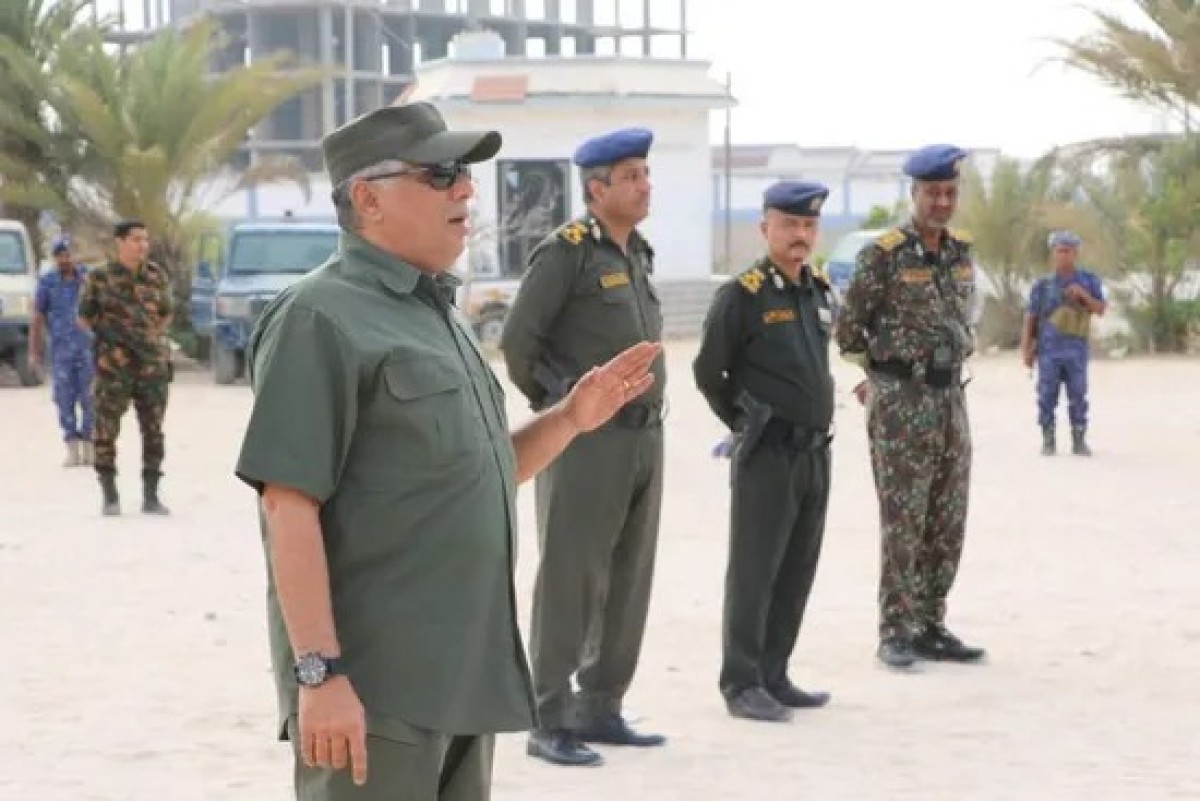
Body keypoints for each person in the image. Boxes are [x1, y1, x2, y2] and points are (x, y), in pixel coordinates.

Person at [233, 102, 661, 801]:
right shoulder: (319, 317)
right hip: (377, 692)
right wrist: (319, 674)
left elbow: (479, 473)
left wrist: (570, 419)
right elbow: (289, 503)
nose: (465, 190)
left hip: (464, 676)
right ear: (367, 198)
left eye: (462, 173)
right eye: (439, 175)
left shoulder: (436, 315)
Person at [499, 126, 667, 767]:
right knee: (572, 575)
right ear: (596, 190)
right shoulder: (567, 252)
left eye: (646, 174)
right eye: (631, 175)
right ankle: (548, 716)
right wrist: (560, 407)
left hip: (644, 438)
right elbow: (519, 341)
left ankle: (601, 706)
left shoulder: (637, 254)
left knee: (628, 576)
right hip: (586, 441)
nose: (644, 185)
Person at [833, 144, 986, 670]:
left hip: (950, 399)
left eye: (949, 192)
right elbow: (848, 330)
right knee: (904, 519)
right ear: (914, 194)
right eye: (932, 193)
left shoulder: (960, 254)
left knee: (948, 516)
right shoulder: (883, 255)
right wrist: (875, 376)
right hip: (902, 403)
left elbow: (965, 318)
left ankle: (931, 623)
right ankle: (895, 630)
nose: (942, 201)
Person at [693, 181, 836, 723]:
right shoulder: (743, 295)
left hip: (815, 452)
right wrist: (741, 419)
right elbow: (709, 371)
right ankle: (742, 681)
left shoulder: (817, 289)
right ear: (765, 228)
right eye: (789, 225)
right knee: (756, 568)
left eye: (808, 226)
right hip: (768, 453)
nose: (800, 236)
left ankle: (775, 674)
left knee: (798, 566)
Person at [77, 221, 172, 517]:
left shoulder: (156, 276)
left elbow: (167, 313)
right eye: (135, 239)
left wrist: (149, 339)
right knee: (105, 431)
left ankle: (151, 496)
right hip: (113, 369)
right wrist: (111, 342)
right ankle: (109, 495)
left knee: (153, 431)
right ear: (120, 242)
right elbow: (83, 317)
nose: (142, 245)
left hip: (151, 367)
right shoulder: (99, 277)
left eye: (145, 239)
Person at [1020, 230, 1106, 456]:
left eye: (1068, 251)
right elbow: (1031, 318)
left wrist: (1084, 296)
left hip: (1076, 351)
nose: (1063, 255)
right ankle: (1048, 439)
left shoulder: (1088, 280)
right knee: (1046, 395)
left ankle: (1079, 439)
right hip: (1049, 351)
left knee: (1078, 395)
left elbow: (1101, 309)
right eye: (1059, 251)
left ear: (1075, 253)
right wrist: (1026, 349)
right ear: (1053, 253)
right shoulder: (1043, 285)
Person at [30, 235, 95, 466]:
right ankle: (71, 447)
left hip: (87, 350)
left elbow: (102, 309)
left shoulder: (87, 280)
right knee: (63, 399)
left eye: (68, 254)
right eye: (60, 255)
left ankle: (89, 445)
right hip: (60, 353)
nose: (65, 259)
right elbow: (37, 317)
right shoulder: (47, 283)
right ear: (55, 258)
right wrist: (34, 351)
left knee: (90, 398)